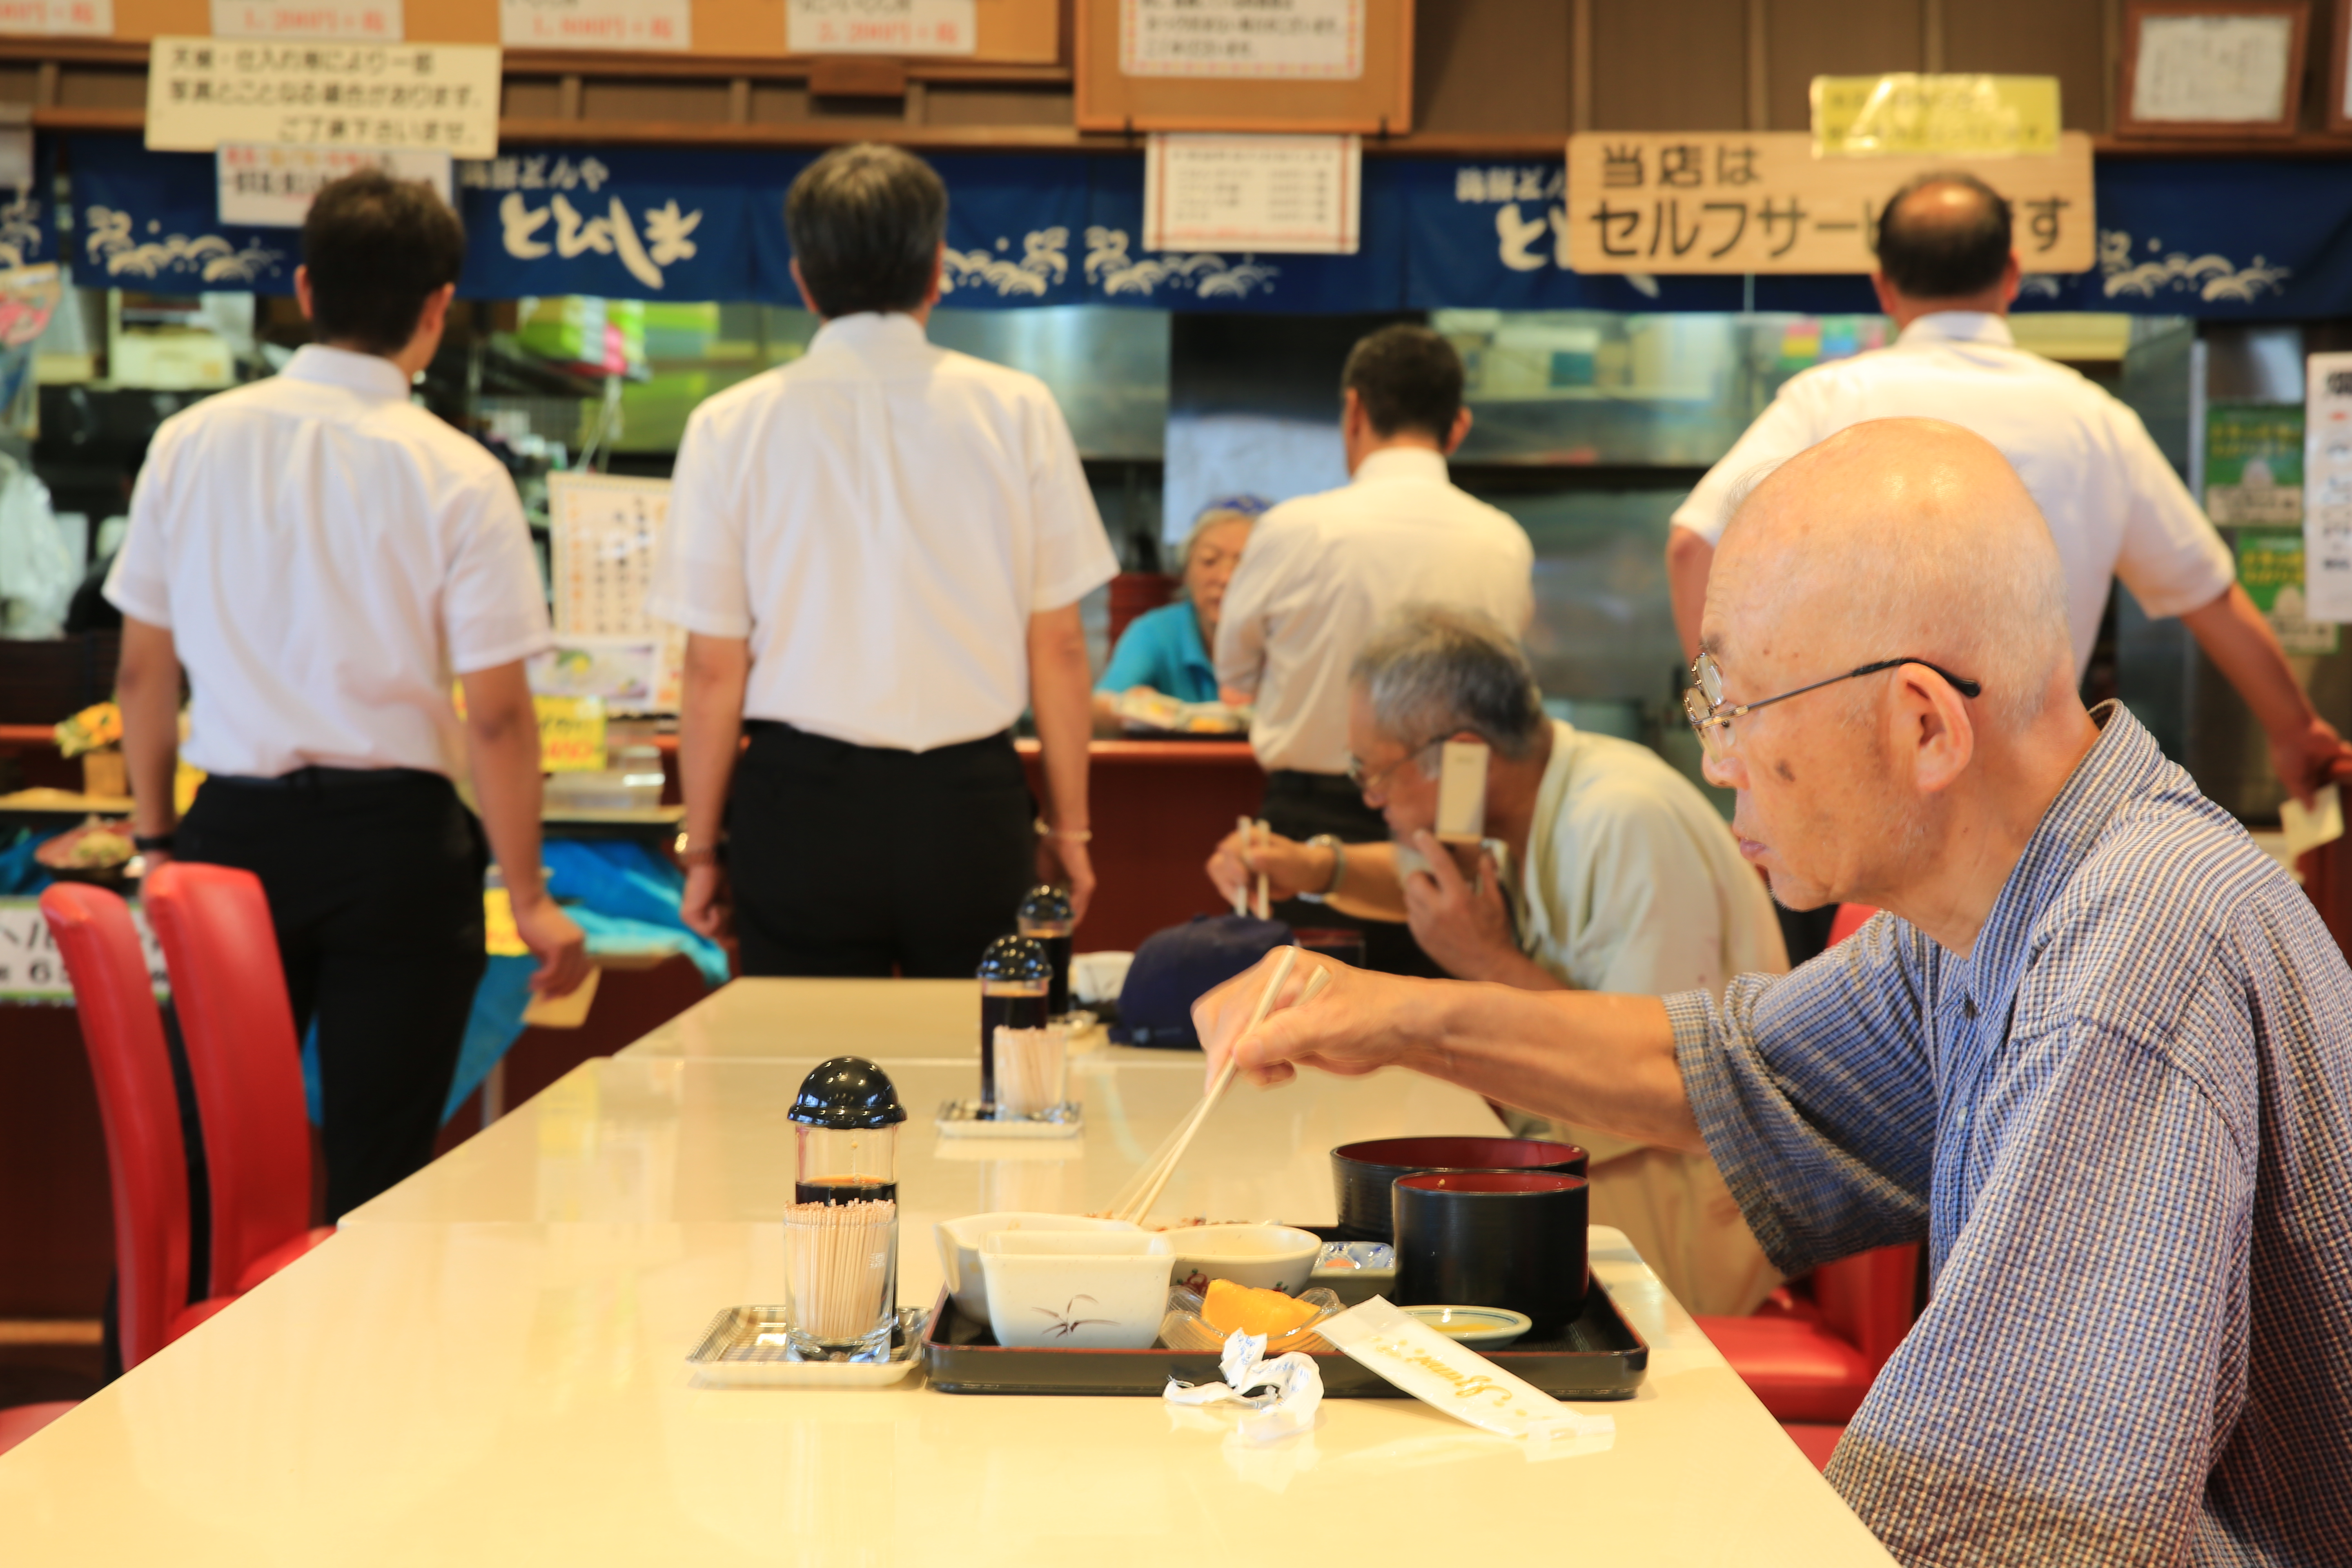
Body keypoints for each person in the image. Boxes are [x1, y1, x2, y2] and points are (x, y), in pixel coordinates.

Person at [1197, 418, 2352, 1566]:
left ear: (1922, 724)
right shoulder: (1993, 911)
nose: (1716, 760)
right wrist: (1386, 1013)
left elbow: (2007, 1526)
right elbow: (1723, 1070)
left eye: (1734, 708)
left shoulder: (2127, 958)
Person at [107, 171, 588, 1220]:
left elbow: (144, 671)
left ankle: (146, 1377)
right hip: (400, 854)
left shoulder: (190, 443)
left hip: (230, 836)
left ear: (305, 286)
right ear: (438, 309)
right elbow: (499, 716)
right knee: (382, 1176)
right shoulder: (459, 474)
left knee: (207, 1158)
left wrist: (154, 845)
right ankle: (360, 1382)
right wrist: (530, 896)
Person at [1666, 170, 2352, 809]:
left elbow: (1692, 545)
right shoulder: (2093, 418)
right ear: (2014, 274)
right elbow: (2211, 595)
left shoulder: (1827, 401)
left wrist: (1731, 729)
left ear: (1883, 287)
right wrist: (2296, 731)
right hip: (2032, 805)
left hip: (1859, 797)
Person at [1209, 606, 1788, 1313]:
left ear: (1460, 755)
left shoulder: (1622, 819)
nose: (1373, 801)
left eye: (1376, 772)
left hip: (1690, 1206)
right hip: (1609, 1168)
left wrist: (1486, 959)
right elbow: (1424, 875)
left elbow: (1660, 1080)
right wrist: (1315, 866)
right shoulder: (1533, 799)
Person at [651, 143, 1115, 978]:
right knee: (981, 1077)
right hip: (970, 806)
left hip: (799, 809)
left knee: (807, 1087)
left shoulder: (731, 424)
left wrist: (704, 847)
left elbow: (713, 670)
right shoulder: (1019, 411)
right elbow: (1062, 647)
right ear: (940, 267)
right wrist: (1070, 833)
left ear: (802, 279)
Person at [1214, 324, 1533, 973]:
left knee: (1307, 1047)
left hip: (1307, 822)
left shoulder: (1292, 531)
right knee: (1450, 1047)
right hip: (1452, 828)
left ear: (1354, 411)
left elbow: (1234, 673)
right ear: (1459, 425)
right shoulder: (1503, 540)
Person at [1093, 495, 1266, 721]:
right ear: (1186, 572)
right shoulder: (1155, 632)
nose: (1225, 578)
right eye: (1209, 560)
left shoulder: (1291, 636)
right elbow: (1097, 710)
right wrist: (1128, 706)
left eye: (1243, 562)